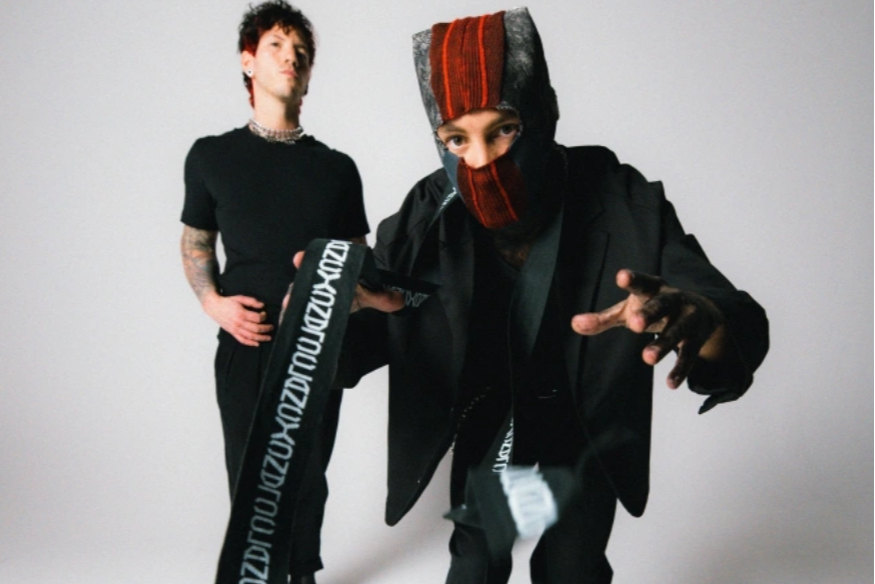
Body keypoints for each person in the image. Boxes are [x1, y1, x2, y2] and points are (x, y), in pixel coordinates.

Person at [324, 7, 768, 584]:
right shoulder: (426, 215)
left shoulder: (622, 199)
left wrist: (701, 321)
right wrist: (323, 313)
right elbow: (363, 338)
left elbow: (730, 313)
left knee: (572, 569)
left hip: (582, 422)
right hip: (489, 419)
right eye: (457, 139)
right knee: (475, 563)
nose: (481, 160)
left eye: (502, 129)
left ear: (543, 113)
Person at [179, 2, 369, 583]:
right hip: (245, 341)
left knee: (308, 474)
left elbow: (356, 259)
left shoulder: (337, 168)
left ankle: (302, 573)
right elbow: (196, 243)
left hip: (316, 345)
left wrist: (330, 301)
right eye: (277, 46)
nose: (292, 58)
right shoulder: (211, 155)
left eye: (302, 53)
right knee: (249, 475)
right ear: (249, 61)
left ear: (309, 75)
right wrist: (213, 303)